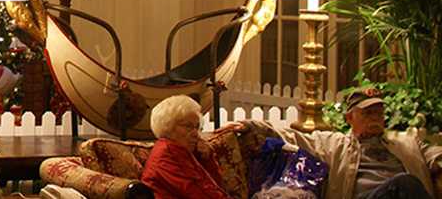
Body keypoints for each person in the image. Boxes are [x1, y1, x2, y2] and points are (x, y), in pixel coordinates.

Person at [242, 88, 442, 199]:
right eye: (367, 113)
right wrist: (250, 125)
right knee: (404, 182)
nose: (375, 117)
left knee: (404, 184)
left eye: (379, 112)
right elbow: (292, 136)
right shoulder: (333, 143)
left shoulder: (407, 142)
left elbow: (435, 154)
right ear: (349, 118)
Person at [140, 95, 232, 199]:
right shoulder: (169, 152)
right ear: (168, 127)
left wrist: (207, 159)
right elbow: (201, 194)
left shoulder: (184, 151)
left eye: (197, 127)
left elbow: (217, 188)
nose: (196, 134)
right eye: (188, 126)